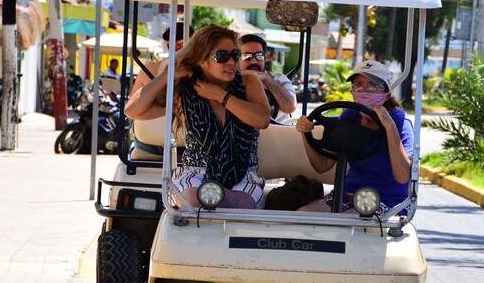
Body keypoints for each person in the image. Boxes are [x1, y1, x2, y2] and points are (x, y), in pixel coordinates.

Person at [124, 24, 270, 209]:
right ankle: (213, 200)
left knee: (245, 204)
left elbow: (262, 119)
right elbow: (133, 111)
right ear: (201, 60)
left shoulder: (248, 82)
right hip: (195, 174)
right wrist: (166, 77)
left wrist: (220, 95)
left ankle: (213, 199)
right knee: (192, 199)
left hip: (243, 175)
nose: (232, 63)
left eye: (235, 55)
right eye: (222, 56)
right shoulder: (185, 91)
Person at [295, 60, 414, 215]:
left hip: (387, 198)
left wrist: (389, 127)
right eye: (358, 85)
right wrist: (305, 132)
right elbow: (322, 166)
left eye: (372, 85)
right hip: (350, 193)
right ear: (352, 91)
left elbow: (403, 176)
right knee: (304, 214)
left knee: (347, 221)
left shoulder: (399, 121)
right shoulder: (350, 115)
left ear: (386, 95)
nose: (364, 90)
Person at [239, 34, 296, 121]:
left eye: (259, 56)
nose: (254, 61)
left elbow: (290, 108)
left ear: (265, 58)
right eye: (247, 56)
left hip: (278, 133)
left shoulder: (279, 79)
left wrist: (267, 79)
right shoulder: (231, 82)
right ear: (237, 59)